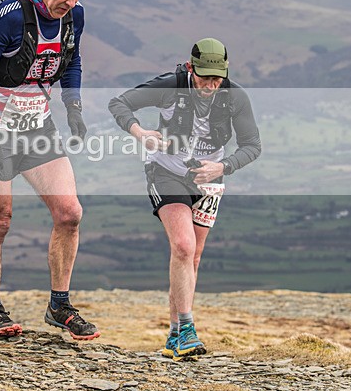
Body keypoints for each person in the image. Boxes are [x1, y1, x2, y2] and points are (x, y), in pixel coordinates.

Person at [0, 0, 99, 340]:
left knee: (70, 213)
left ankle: (59, 306)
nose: (71, 3)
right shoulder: (10, 16)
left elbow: (72, 61)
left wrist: (73, 106)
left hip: (37, 127)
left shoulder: (74, 17)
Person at [108, 38, 261, 360]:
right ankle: (189, 329)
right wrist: (140, 133)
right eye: (204, 77)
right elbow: (119, 103)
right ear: (191, 68)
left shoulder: (235, 97)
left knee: (192, 257)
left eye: (217, 78)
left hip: (209, 177)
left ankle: (176, 335)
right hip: (166, 171)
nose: (211, 85)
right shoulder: (170, 86)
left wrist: (224, 166)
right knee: (182, 245)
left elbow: (252, 145)